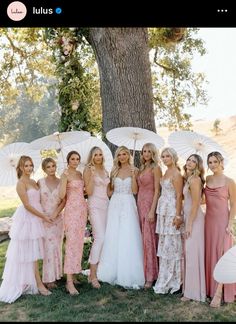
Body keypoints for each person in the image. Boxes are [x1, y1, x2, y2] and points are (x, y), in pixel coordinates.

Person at [0, 156, 53, 303]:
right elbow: (28, 205)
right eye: (26, 166)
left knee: (34, 252)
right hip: (29, 218)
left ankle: (37, 280)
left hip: (38, 216)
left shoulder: (33, 181)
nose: (29, 168)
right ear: (21, 168)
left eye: (31, 165)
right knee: (30, 253)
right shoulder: (21, 183)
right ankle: (39, 284)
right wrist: (42, 216)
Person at [97, 146, 145, 289]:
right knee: (113, 234)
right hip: (115, 203)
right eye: (119, 155)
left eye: (124, 154)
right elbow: (110, 191)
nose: (122, 157)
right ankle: (111, 269)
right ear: (117, 157)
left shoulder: (135, 170)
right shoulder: (114, 170)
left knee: (128, 234)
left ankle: (128, 271)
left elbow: (135, 191)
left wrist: (134, 177)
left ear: (129, 155)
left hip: (129, 202)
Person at [205, 151, 236, 307]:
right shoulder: (207, 179)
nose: (212, 165)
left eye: (215, 162)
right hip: (208, 222)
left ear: (221, 162)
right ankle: (210, 289)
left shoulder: (229, 181)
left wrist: (230, 223)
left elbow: (234, 204)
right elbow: (204, 200)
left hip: (223, 222)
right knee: (211, 253)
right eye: (209, 162)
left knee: (222, 253)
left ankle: (220, 292)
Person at [153, 147, 184, 294]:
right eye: (163, 156)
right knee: (165, 244)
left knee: (173, 244)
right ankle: (165, 276)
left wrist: (178, 216)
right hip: (163, 211)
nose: (165, 159)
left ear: (174, 157)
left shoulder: (177, 174)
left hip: (172, 211)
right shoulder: (165, 172)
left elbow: (179, 196)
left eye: (168, 156)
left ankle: (175, 279)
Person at [59, 151, 87, 295]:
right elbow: (62, 195)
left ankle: (74, 274)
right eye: (72, 159)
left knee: (78, 243)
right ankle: (68, 282)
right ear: (68, 160)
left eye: (77, 159)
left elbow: (84, 192)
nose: (75, 161)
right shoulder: (65, 174)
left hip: (82, 210)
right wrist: (63, 179)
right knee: (71, 243)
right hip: (71, 210)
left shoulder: (79, 174)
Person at [83, 146, 110, 289]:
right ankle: (92, 275)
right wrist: (92, 176)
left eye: (100, 154)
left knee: (105, 239)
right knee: (100, 238)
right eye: (95, 155)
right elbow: (89, 191)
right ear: (91, 157)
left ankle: (98, 270)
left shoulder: (105, 170)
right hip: (94, 205)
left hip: (107, 206)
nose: (98, 157)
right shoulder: (88, 170)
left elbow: (108, 190)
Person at [181, 154, 206, 302]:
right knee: (189, 253)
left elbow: (196, 203)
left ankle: (192, 293)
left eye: (193, 161)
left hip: (195, 220)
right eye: (189, 160)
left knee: (192, 254)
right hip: (189, 217)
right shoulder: (189, 179)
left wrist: (189, 224)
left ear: (198, 165)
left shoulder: (195, 180)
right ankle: (189, 290)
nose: (190, 162)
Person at [38, 158, 65, 290]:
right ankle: (48, 278)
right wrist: (44, 216)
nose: (51, 169)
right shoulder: (40, 182)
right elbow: (35, 201)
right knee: (48, 247)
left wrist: (55, 213)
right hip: (44, 219)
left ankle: (57, 274)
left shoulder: (61, 182)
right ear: (44, 169)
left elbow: (64, 200)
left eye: (53, 166)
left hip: (57, 218)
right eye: (48, 167)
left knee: (56, 247)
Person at [137, 143, 162, 289]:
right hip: (140, 205)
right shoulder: (141, 168)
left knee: (150, 239)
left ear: (153, 153)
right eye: (144, 151)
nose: (146, 154)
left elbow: (158, 190)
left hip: (149, 205)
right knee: (143, 239)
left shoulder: (155, 168)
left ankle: (151, 276)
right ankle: (144, 271)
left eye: (148, 151)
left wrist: (152, 210)